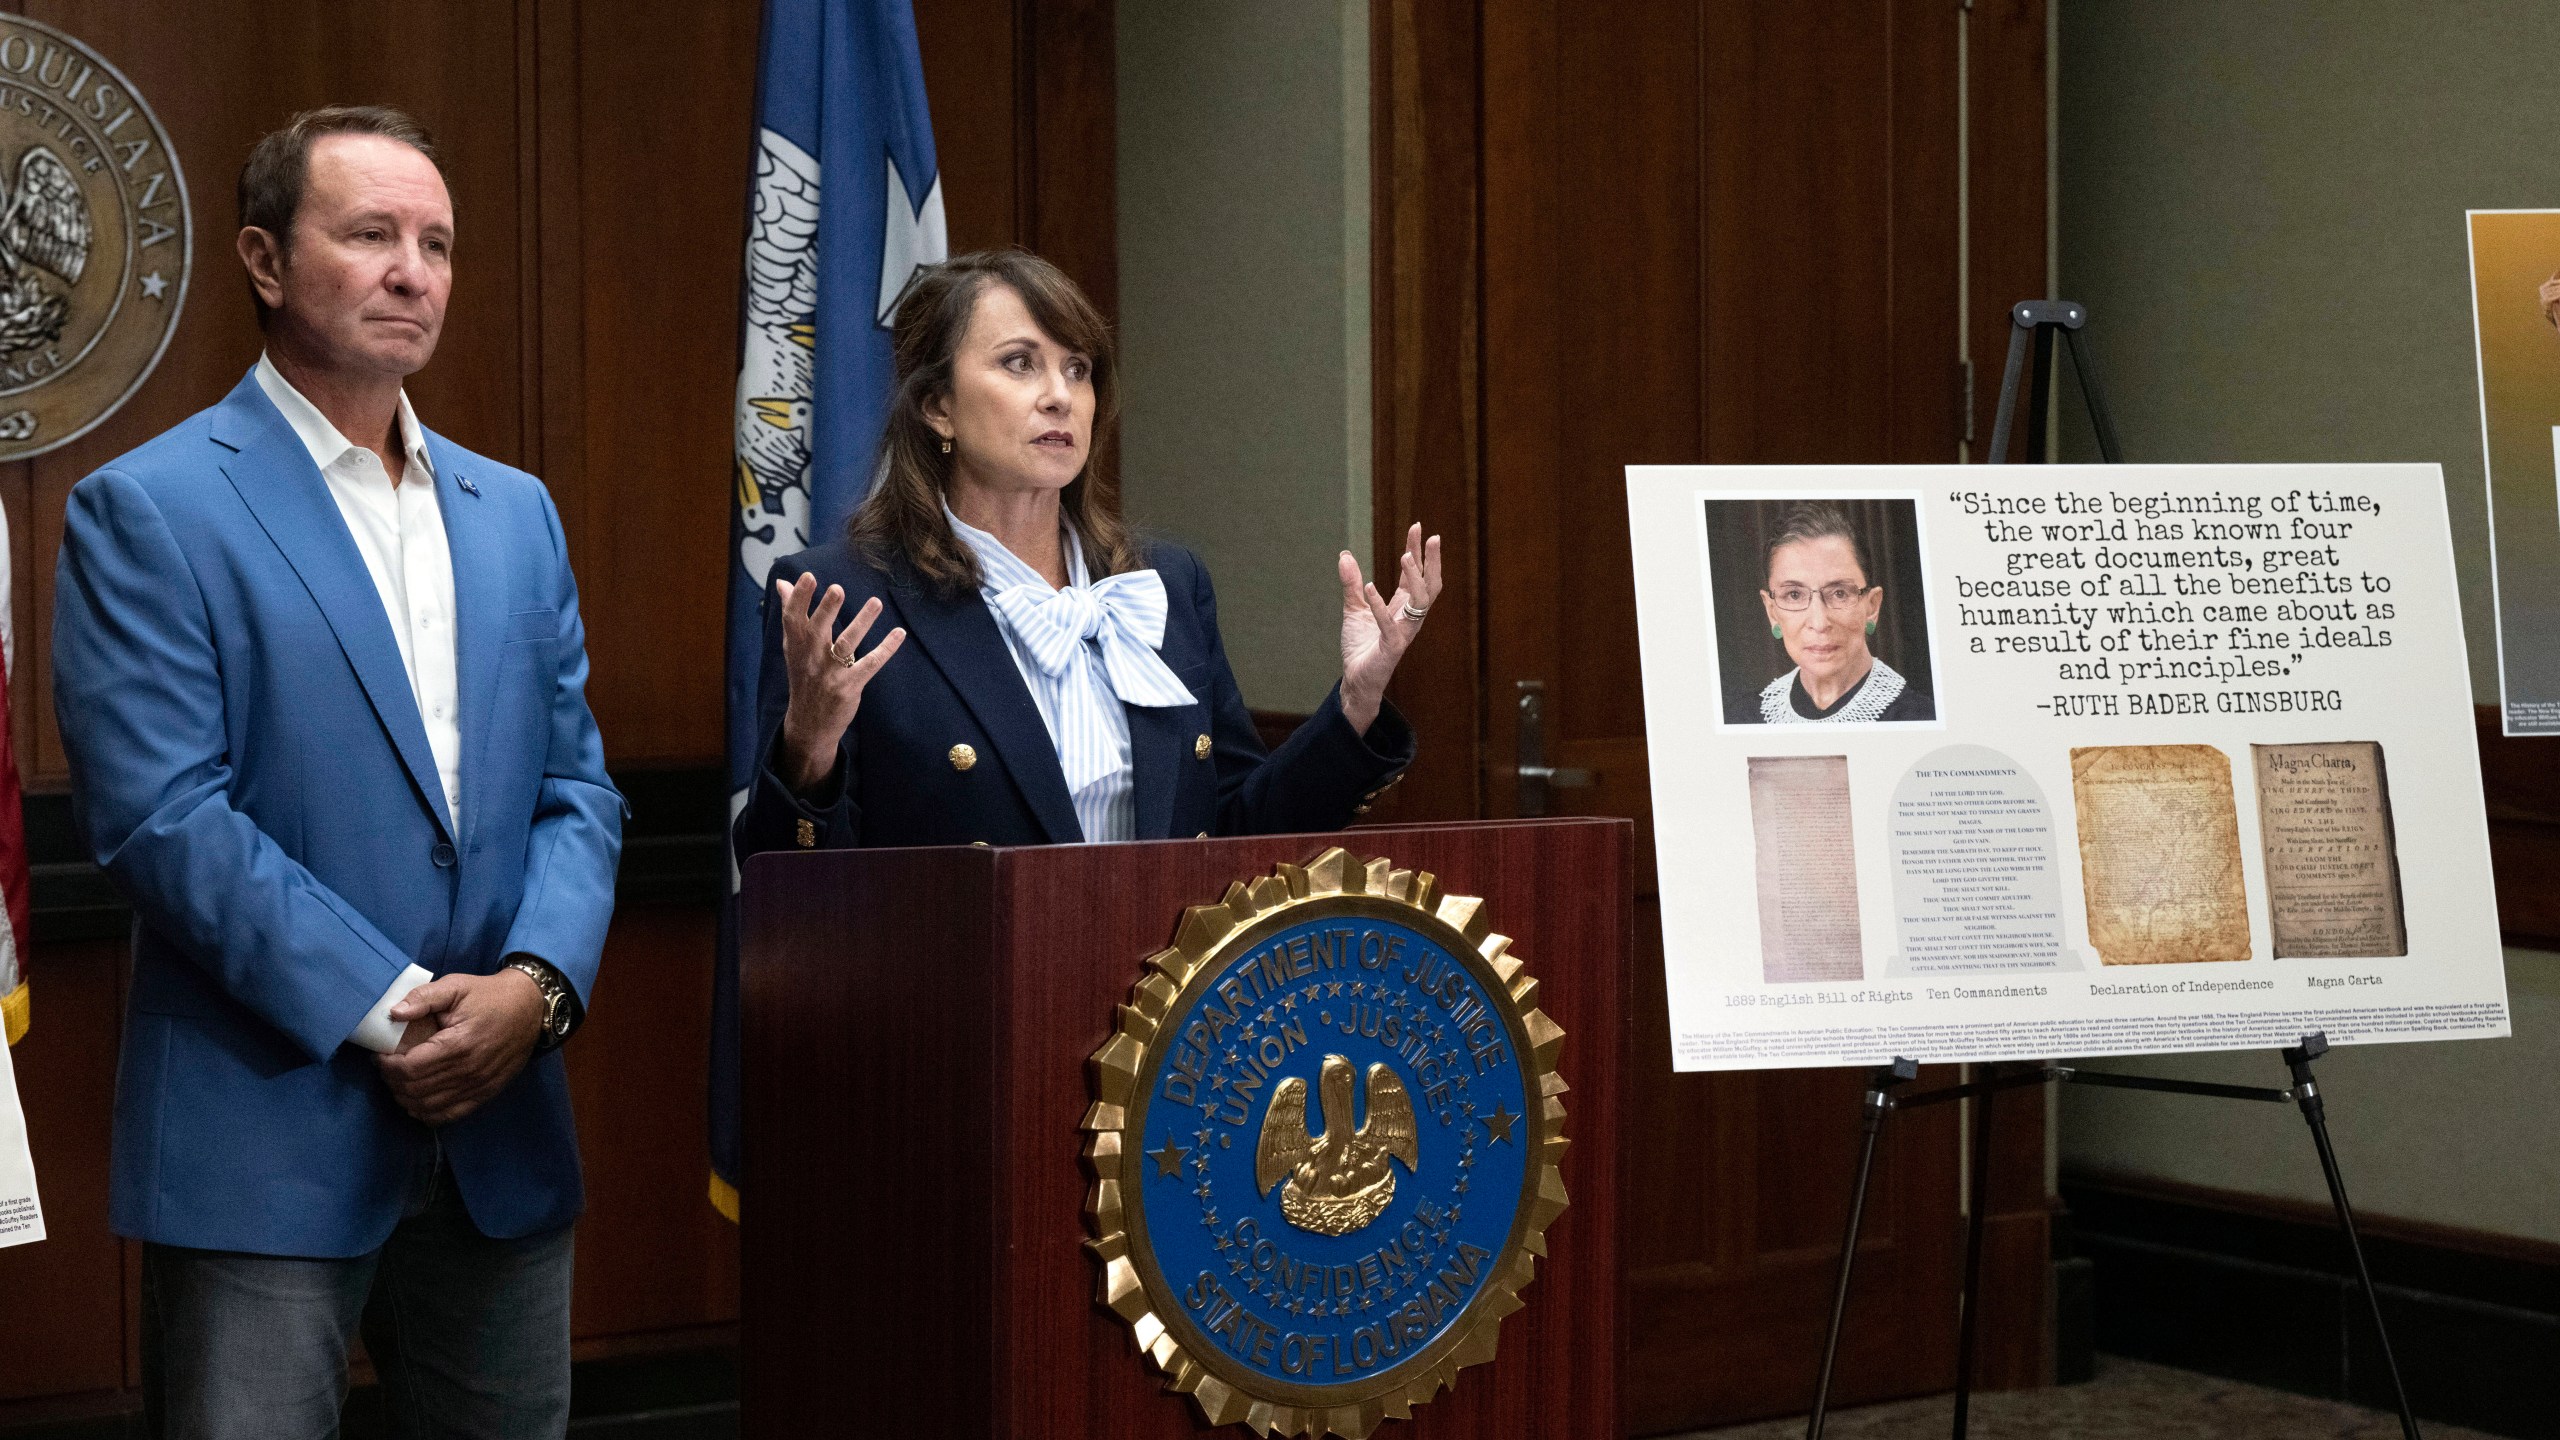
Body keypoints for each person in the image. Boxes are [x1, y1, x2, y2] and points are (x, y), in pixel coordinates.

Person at [51, 106, 620, 1440]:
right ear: (263, 258)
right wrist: (403, 1011)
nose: (412, 270)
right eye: (369, 235)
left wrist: (534, 992)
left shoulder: (517, 512)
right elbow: (162, 819)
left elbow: (579, 795)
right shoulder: (152, 508)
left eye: (436, 243)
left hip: (504, 1133)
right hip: (265, 1133)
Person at [731, 248, 1438, 860]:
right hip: (966, 1005)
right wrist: (809, 745)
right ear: (937, 406)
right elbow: (787, 892)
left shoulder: (1163, 583)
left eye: (1078, 370)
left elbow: (1239, 834)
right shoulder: (842, 594)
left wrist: (1356, 702)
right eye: (1019, 364)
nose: (1058, 397)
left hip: (1165, 1009)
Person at [1748, 500, 1933, 724]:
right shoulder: (1743, 719)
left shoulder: (1923, 718)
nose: (1819, 622)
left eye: (1839, 593)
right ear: (1772, 611)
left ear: (1872, 606)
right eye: (1794, 595)